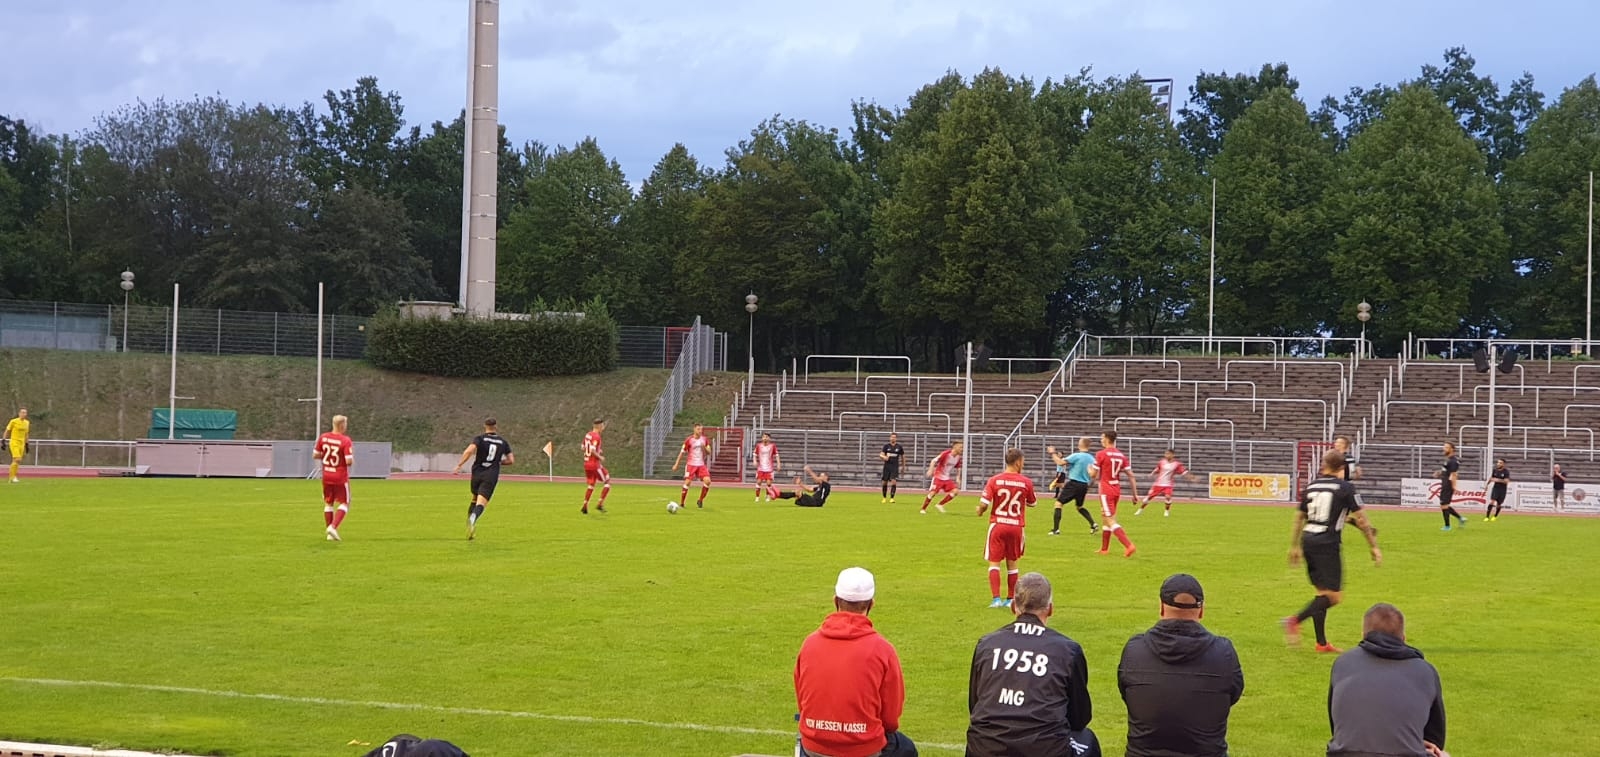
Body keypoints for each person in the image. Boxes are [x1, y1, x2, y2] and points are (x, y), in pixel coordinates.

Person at [966, 572, 1096, 757]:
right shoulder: (1068, 650)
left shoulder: (986, 644)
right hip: (1044, 749)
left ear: (1013, 606)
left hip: (985, 748)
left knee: (979, 735)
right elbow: (1079, 718)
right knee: (1087, 739)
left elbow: (975, 705)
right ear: (1050, 609)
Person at [794, 567, 917, 757]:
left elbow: (803, 704)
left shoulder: (809, 644)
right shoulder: (882, 649)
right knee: (907, 749)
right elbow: (891, 720)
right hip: (862, 748)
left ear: (835, 601)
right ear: (871, 604)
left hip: (813, 746)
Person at [1118, 574, 1244, 757]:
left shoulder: (1135, 649)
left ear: (1162, 607)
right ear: (1201, 610)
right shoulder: (1223, 652)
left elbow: (1127, 692)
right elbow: (1233, 693)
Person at [1284, 449, 1381, 653]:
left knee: (1321, 594)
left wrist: (1294, 546)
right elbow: (1362, 519)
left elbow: (1299, 517)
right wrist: (1373, 546)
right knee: (1334, 597)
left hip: (1308, 540)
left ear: (1324, 465)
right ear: (1343, 467)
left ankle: (1321, 644)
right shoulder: (1345, 487)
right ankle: (1295, 620)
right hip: (1327, 543)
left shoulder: (1312, 486)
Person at [1327, 603, 1449, 757]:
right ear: (1403, 639)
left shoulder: (1342, 663)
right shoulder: (1426, 671)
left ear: (1363, 635)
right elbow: (1435, 740)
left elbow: (1338, 726)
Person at [975, 449, 1037, 608]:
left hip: (998, 525)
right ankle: (1010, 600)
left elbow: (984, 503)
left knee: (994, 563)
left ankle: (996, 600)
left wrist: (980, 511)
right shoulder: (1026, 482)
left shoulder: (994, 480)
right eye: (1023, 462)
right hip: (1016, 526)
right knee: (1012, 564)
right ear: (1018, 462)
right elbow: (1032, 502)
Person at [452, 418, 513, 540]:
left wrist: (460, 465)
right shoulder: (503, 442)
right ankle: (473, 518)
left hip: (477, 473)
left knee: (474, 498)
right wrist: (498, 462)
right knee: (481, 503)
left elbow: (469, 451)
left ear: (485, 426)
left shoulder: (479, 439)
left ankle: (470, 529)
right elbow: (511, 460)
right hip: (490, 475)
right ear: (496, 426)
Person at [1091, 432, 1139, 557]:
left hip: (1106, 490)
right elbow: (1131, 475)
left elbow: (1093, 474)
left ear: (1107, 439)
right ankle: (1104, 549)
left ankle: (1129, 545)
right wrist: (1135, 494)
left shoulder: (1101, 454)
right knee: (1106, 517)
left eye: (1102, 438)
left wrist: (1088, 468)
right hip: (1116, 489)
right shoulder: (1121, 455)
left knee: (1110, 520)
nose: (1101, 440)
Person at [313, 414, 355, 541]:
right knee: (345, 502)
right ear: (342, 425)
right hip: (340, 476)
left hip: (326, 475)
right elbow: (348, 461)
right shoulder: (345, 440)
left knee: (328, 503)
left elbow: (315, 455)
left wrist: (328, 456)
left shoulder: (323, 437)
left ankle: (329, 534)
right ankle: (333, 526)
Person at [1047, 440, 1099, 536]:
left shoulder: (1076, 456)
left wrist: (1052, 453)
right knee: (1079, 507)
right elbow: (1095, 475)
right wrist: (1088, 486)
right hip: (1084, 485)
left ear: (1079, 445)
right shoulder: (1092, 459)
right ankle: (1093, 524)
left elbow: (1060, 462)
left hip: (1074, 483)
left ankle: (1055, 530)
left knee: (1058, 504)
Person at [1136, 449, 1193, 517]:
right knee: (1148, 498)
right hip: (1159, 483)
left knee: (1168, 497)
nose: (1166, 455)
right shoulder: (1161, 462)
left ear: (1172, 455)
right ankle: (1140, 510)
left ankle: (1166, 511)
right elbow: (1157, 468)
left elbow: (1183, 472)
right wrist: (1152, 473)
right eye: (1165, 454)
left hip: (1168, 484)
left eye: (1168, 454)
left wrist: (1191, 477)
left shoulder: (1177, 464)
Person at [670, 422, 713, 509]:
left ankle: (700, 500)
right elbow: (682, 453)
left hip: (701, 465)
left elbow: (709, 452)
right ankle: (682, 503)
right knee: (688, 482)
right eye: (698, 429)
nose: (700, 431)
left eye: (701, 429)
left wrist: (704, 447)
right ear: (694, 429)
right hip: (691, 464)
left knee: (708, 481)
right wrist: (676, 464)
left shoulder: (704, 439)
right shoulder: (689, 440)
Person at [920, 440, 964, 514]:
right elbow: (933, 460)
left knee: (955, 491)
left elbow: (958, 467)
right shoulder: (946, 454)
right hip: (938, 477)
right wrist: (930, 470)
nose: (962, 449)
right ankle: (923, 509)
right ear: (955, 447)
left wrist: (958, 477)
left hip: (946, 478)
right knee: (933, 493)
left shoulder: (958, 457)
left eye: (962, 447)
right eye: (960, 447)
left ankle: (940, 505)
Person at [581, 418, 610, 515]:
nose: (603, 428)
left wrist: (597, 450)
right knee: (607, 480)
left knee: (591, 484)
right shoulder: (596, 436)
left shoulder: (588, 434)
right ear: (599, 426)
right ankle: (600, 504)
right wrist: (600, 457)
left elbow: (583, 447)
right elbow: (592, 450)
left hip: (586, 464)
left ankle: (585, 505)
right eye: (603, 426)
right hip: (594, 465)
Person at [1435, 442, 1467, 531]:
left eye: (1446, 447)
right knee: (1444, 505)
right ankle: (1460, 518)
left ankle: (1447, 526)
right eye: (1444, 447)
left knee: (1444, 505)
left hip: (1448, 485)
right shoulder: (1448, 460)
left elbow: (1454, 474)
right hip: (1445, 484)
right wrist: (1439, 473)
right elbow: (1447, 471)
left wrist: (1454, 487)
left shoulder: (1453, 461)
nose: (1444, 449)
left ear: (1451, 449)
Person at [753, 432, 781, 502]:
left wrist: (778, 464)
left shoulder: (772, 446)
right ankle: (757, 497)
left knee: (768, 483)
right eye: (764, 437)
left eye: (766, 437)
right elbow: (754, 454)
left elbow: (777, 455)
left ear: (769, 438)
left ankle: (767, 496)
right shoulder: (758, 445)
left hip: (769, 468)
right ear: (762, 438)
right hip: (761, 468)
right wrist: (754, 461)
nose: (765, 438)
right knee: (758, 482)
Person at [4, 407, 28, 483]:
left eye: (25, 413)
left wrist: (27, 443)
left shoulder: (27, 423)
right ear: (19, 413)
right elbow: (7, 430)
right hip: (14, 442)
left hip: (22, 443)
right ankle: (12, 477)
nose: (24, 414)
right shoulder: (13, 421)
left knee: (16, 461)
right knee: (17, 459)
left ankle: (12, 477)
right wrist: (3, 440)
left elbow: (26, 434)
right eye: (22, 412)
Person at [880, 433, 906, 503]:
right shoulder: (886, 446)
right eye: (892, 437)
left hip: (894, 467)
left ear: (896, 438)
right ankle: (884, 498)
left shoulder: (899, 447)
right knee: (884, 483)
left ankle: (892, 498)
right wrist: (884, 457)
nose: (893, 438)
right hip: (887, 466)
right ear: (890, 438)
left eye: (894, 437)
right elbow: (881, 455)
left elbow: (903, 457)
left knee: (894, 482)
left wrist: (903, 466)